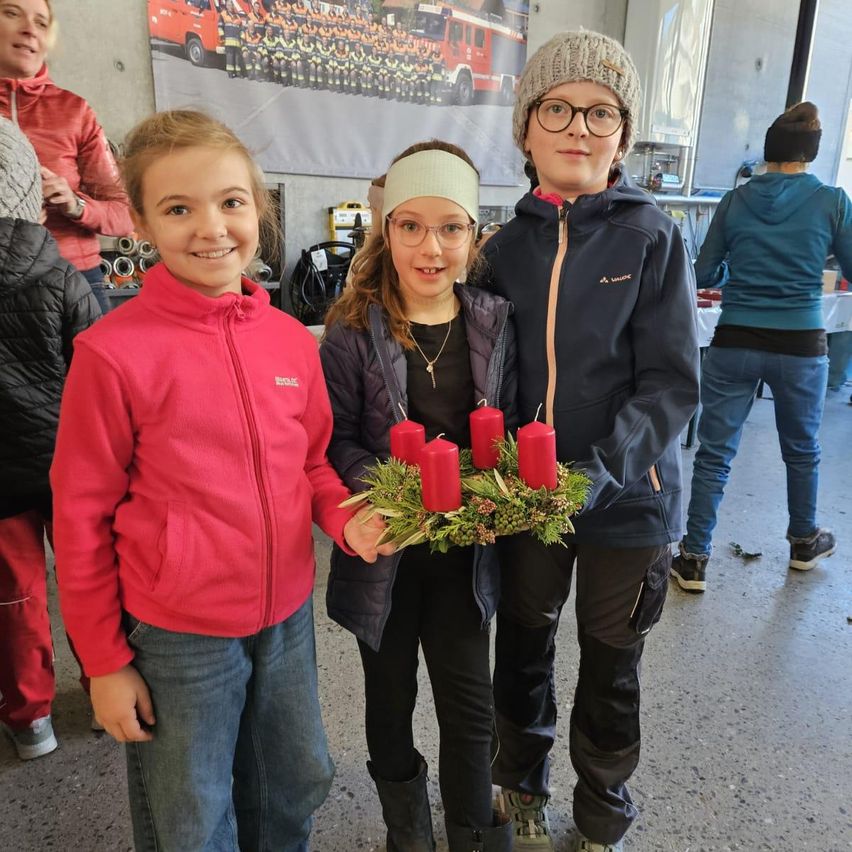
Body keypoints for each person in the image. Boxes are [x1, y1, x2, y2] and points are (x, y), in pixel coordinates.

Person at [50, 109, 391, 851]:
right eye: (179, 208)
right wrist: (104, 663)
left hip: (284, 612)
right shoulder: (111, 354)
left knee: (297, 776)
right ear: (138, 220)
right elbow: (79, 518)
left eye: (231, 202)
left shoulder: (288, 340)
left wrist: (345, 519)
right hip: (177, 632)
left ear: (258, 209)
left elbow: (312, 462)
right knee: (192, 814)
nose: (211, 227)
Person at [474, 31, 700, 852]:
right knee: (524, 647)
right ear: (527, 129)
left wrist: (597, 475)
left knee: (611, 667)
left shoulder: (653, 237)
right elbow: (485, 378)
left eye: (600, 112)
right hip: (528, 500)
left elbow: (671, 381)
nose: (579, 126)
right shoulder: (501, 250)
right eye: (558, 107)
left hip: (627, 501)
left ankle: (603, 809)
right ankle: (520, 785)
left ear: (621, 135)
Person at [321, 140, 518, 851]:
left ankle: (473, 835)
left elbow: (516, 427)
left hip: (466, 557)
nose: (430, 247)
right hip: (388, 554)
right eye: (411, 226)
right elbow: (337, 438)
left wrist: (505, 495)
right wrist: (393, 495)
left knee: (470, 707)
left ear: (473, 234)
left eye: (450, 228)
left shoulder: (494, 323)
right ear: (387, 230)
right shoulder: (351, 332)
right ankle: (408, 835)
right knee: (390, 697)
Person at [672, 102, 852, 592]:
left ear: (769, 152)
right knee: (803, 450)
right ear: (810, 154)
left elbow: (704, 273)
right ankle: (802, 541)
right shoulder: (833, 201)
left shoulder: (736, 201)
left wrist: (738, 271)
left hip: (735, 339)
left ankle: (693, 557)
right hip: (802, 343)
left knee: (714, 453)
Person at [0, 117, 100, 760]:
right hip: (71, 464)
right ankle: (104, 691)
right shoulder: (61, 276)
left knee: (14, 593)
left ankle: (30, 716)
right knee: (91, 575)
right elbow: (97, 374)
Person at [0, 0, 133, 313]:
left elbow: (123, 214)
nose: (29, 29)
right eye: (11, 13)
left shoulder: (75, 111)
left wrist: (76, 205)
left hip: (75, 278)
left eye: (41, 22)